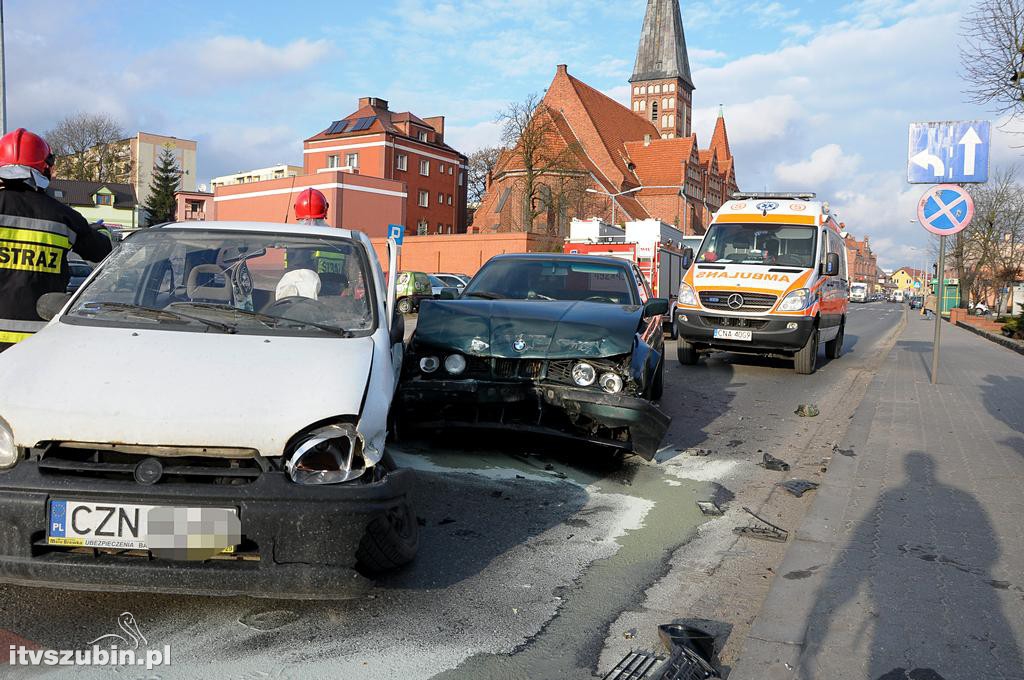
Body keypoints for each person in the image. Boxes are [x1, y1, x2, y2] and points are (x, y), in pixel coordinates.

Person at [0, 128, 112, 351]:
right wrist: (98, 231)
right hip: (39, 343)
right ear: (45, 167)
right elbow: (103, 251)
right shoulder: (65, 217)